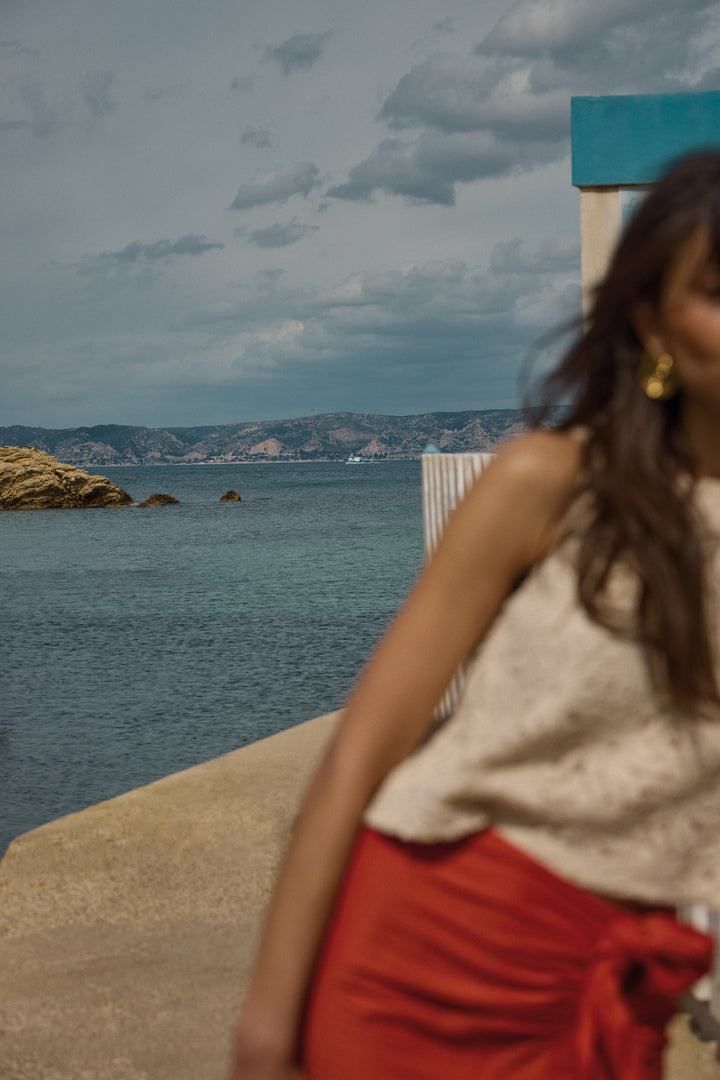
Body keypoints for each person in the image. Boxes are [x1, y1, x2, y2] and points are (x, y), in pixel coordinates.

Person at [228, 151, 720, 1080]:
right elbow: (361, 754)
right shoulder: (554, 482)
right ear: (653, 322)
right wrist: (265, 1030)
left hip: (614, 990)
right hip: (422, 959)